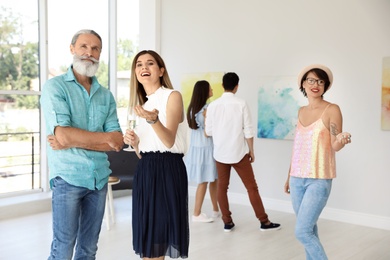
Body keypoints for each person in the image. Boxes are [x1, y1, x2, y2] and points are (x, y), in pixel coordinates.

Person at [40, 29, 124, 259]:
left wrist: (72, 140)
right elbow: (64, 135)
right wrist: (92, 139)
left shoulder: (105, 95)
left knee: (89, 248)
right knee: (63, 246)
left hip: (99, 180)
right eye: (84, 46)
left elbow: (117, 141)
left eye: (95, 48)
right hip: (67, 177)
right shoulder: (55, 87)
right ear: (72, 49)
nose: (90, 52)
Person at [123, 50, 189, 259]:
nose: (144, 68)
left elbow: (168, 141)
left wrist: (153, 121)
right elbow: (143, 153)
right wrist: (134, 144)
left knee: (157, 239)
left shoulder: (172, 96)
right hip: (146, 170)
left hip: (167, 169)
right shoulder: (142, 107)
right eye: (139, 64)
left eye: (150, 63)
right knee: (148, 240)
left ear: (160, 71)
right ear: (135, 73)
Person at [284, 64, 352, 260]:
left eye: (320, 81)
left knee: (302, 232)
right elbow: (297, 146)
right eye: (311, 80)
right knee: (310, 230)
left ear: (325, 85)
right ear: (303, 84)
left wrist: (341, 139)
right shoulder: (300, 111)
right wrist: (289, 176)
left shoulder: (332, 109)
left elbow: (335, 144)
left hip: (319, 179)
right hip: (297, 179)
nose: (316, 84)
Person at [205, 72, 281, 232]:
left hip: (220, 154)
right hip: (239, 153)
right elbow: (248, 130)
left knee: (222, 188)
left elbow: (208, 132)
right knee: (252, 188)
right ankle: (264, 222)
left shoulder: (212, 106)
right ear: (237, 86)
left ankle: (227, 222)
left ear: (222, 86)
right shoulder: (241, 103)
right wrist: (251, 150)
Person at [185, 80, 220, 223]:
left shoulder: (193, 108)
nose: (212, 89)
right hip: (206, 148)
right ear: (204, 91)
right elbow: (208, 131)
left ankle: (215, 209)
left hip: (198, 148)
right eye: (210, 88)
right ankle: (196, 213)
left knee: (212, 179)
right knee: (205, 181)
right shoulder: (206, 109)